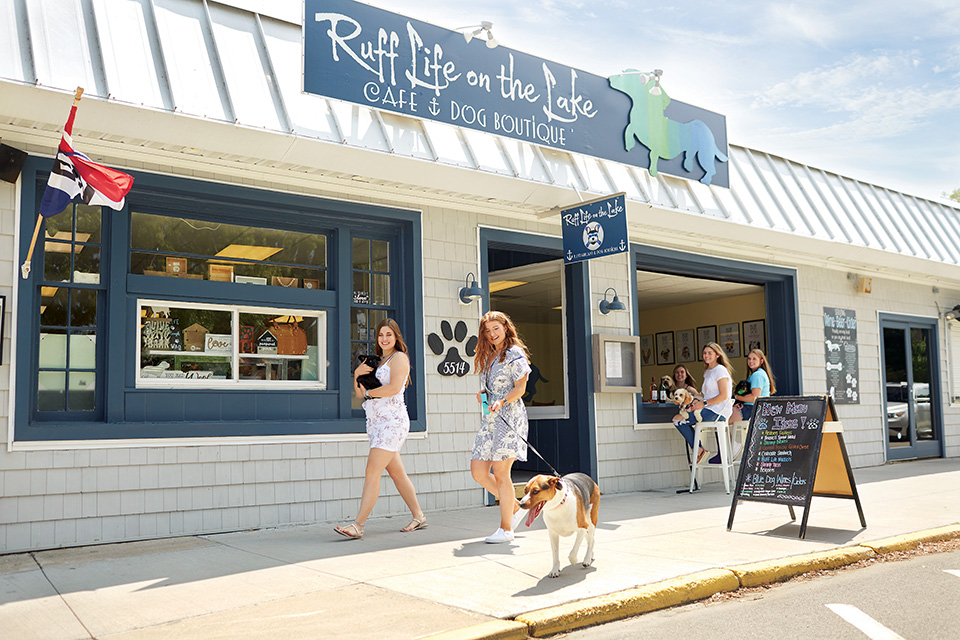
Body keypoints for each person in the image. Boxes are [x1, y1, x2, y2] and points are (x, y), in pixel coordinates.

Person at [334, 319, 426, 539]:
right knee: (397, 474)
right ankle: (419, 516)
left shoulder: (399, 358)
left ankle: (358, 525)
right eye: (381, 335)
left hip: (392, 423)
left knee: (371, 472)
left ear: (396, 337)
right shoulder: (378, 361)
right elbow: (359, 395)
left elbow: (394, 388)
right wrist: (357, 374)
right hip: (375, 423)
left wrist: (369, 394)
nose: (384, 339)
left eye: (389, 334)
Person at [471, 310, 531, 544]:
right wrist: (484, 395)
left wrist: (502, 400)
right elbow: (490, 386)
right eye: (488, 331)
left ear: (506, 327)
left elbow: (520, 388)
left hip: (509, 416)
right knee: (478, 471)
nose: (492, 333)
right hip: (490, 419)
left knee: (501, 472)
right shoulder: (489, 356)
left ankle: (506, 528)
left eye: (496, 328)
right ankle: (514, 506)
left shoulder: (514, 353)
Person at [672, 342, 734, 465]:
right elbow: (705, 395)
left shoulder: (720, 370)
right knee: (678, 418)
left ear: (717, 355)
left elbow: (723, 395)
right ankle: (699, 449)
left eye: (710, 353)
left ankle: (699, 450)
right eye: (705, 353)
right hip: (708, 408)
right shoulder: (708, 371)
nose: (706, 355)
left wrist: (703, 403)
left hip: (717, 411)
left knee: (678, 420)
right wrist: (691, 398)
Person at [730, 348, 776, 423]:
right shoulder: (760, 373)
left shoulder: (757, 375)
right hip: (756, 408)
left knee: (725, 418)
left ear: (761, 361)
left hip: (752, 409)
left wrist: (737, 397)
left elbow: (754, 398)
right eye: (749, 359)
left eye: (754, 359)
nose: (751, 361)